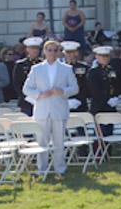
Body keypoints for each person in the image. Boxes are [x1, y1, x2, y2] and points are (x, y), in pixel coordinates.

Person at [23, 39, 80, 177]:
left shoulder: (66, 68)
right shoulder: (36, 69)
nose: (53, 53)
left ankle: (59, 168)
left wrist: (63, 91)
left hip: (59, 109)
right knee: (42, 141)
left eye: (56, 50)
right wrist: (39, 94)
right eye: (50, 50)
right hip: (42, 109)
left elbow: (75, 88)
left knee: (59, 141)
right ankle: (42, 169)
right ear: (44, 51)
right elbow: (26, 88)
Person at [12, 38, 43, 114]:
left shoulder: (43, 64)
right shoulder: (20, 64)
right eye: (32, 48)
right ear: (27, 49)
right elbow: (17, 84)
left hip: (41, 100)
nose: (35, 51)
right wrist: (26, 97)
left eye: (37, 48)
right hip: (26, 101)